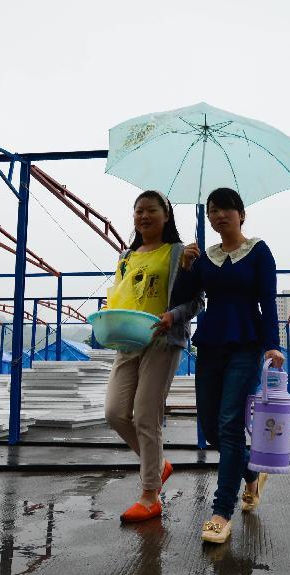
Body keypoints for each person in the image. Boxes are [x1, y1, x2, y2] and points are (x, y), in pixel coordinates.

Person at [171, 187, 285, 544]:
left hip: (246, 345)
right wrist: (186, 267)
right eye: (212, 211)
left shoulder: (259, 252)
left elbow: (268, 300)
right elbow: (181, 298)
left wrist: (272, 345)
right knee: (211, 426)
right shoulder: (206, 258)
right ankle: (251, 472)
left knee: (230, 424)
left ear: (240, 214)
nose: (219, 216)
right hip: (210, 344)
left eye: (225, 209)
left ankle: (221, 511)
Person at [104, 190, 203, 523]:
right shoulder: (126, 256)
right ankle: (159, 465)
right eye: (138, 211)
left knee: (146, 415)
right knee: (116, 412)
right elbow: (119, 295)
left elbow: (195, 303)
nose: (143, 216)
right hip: (128, 339)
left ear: (166, 216)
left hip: (162, 340)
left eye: (151, 210)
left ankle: (150, 495)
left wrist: (173, 315)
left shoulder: (179, 253)